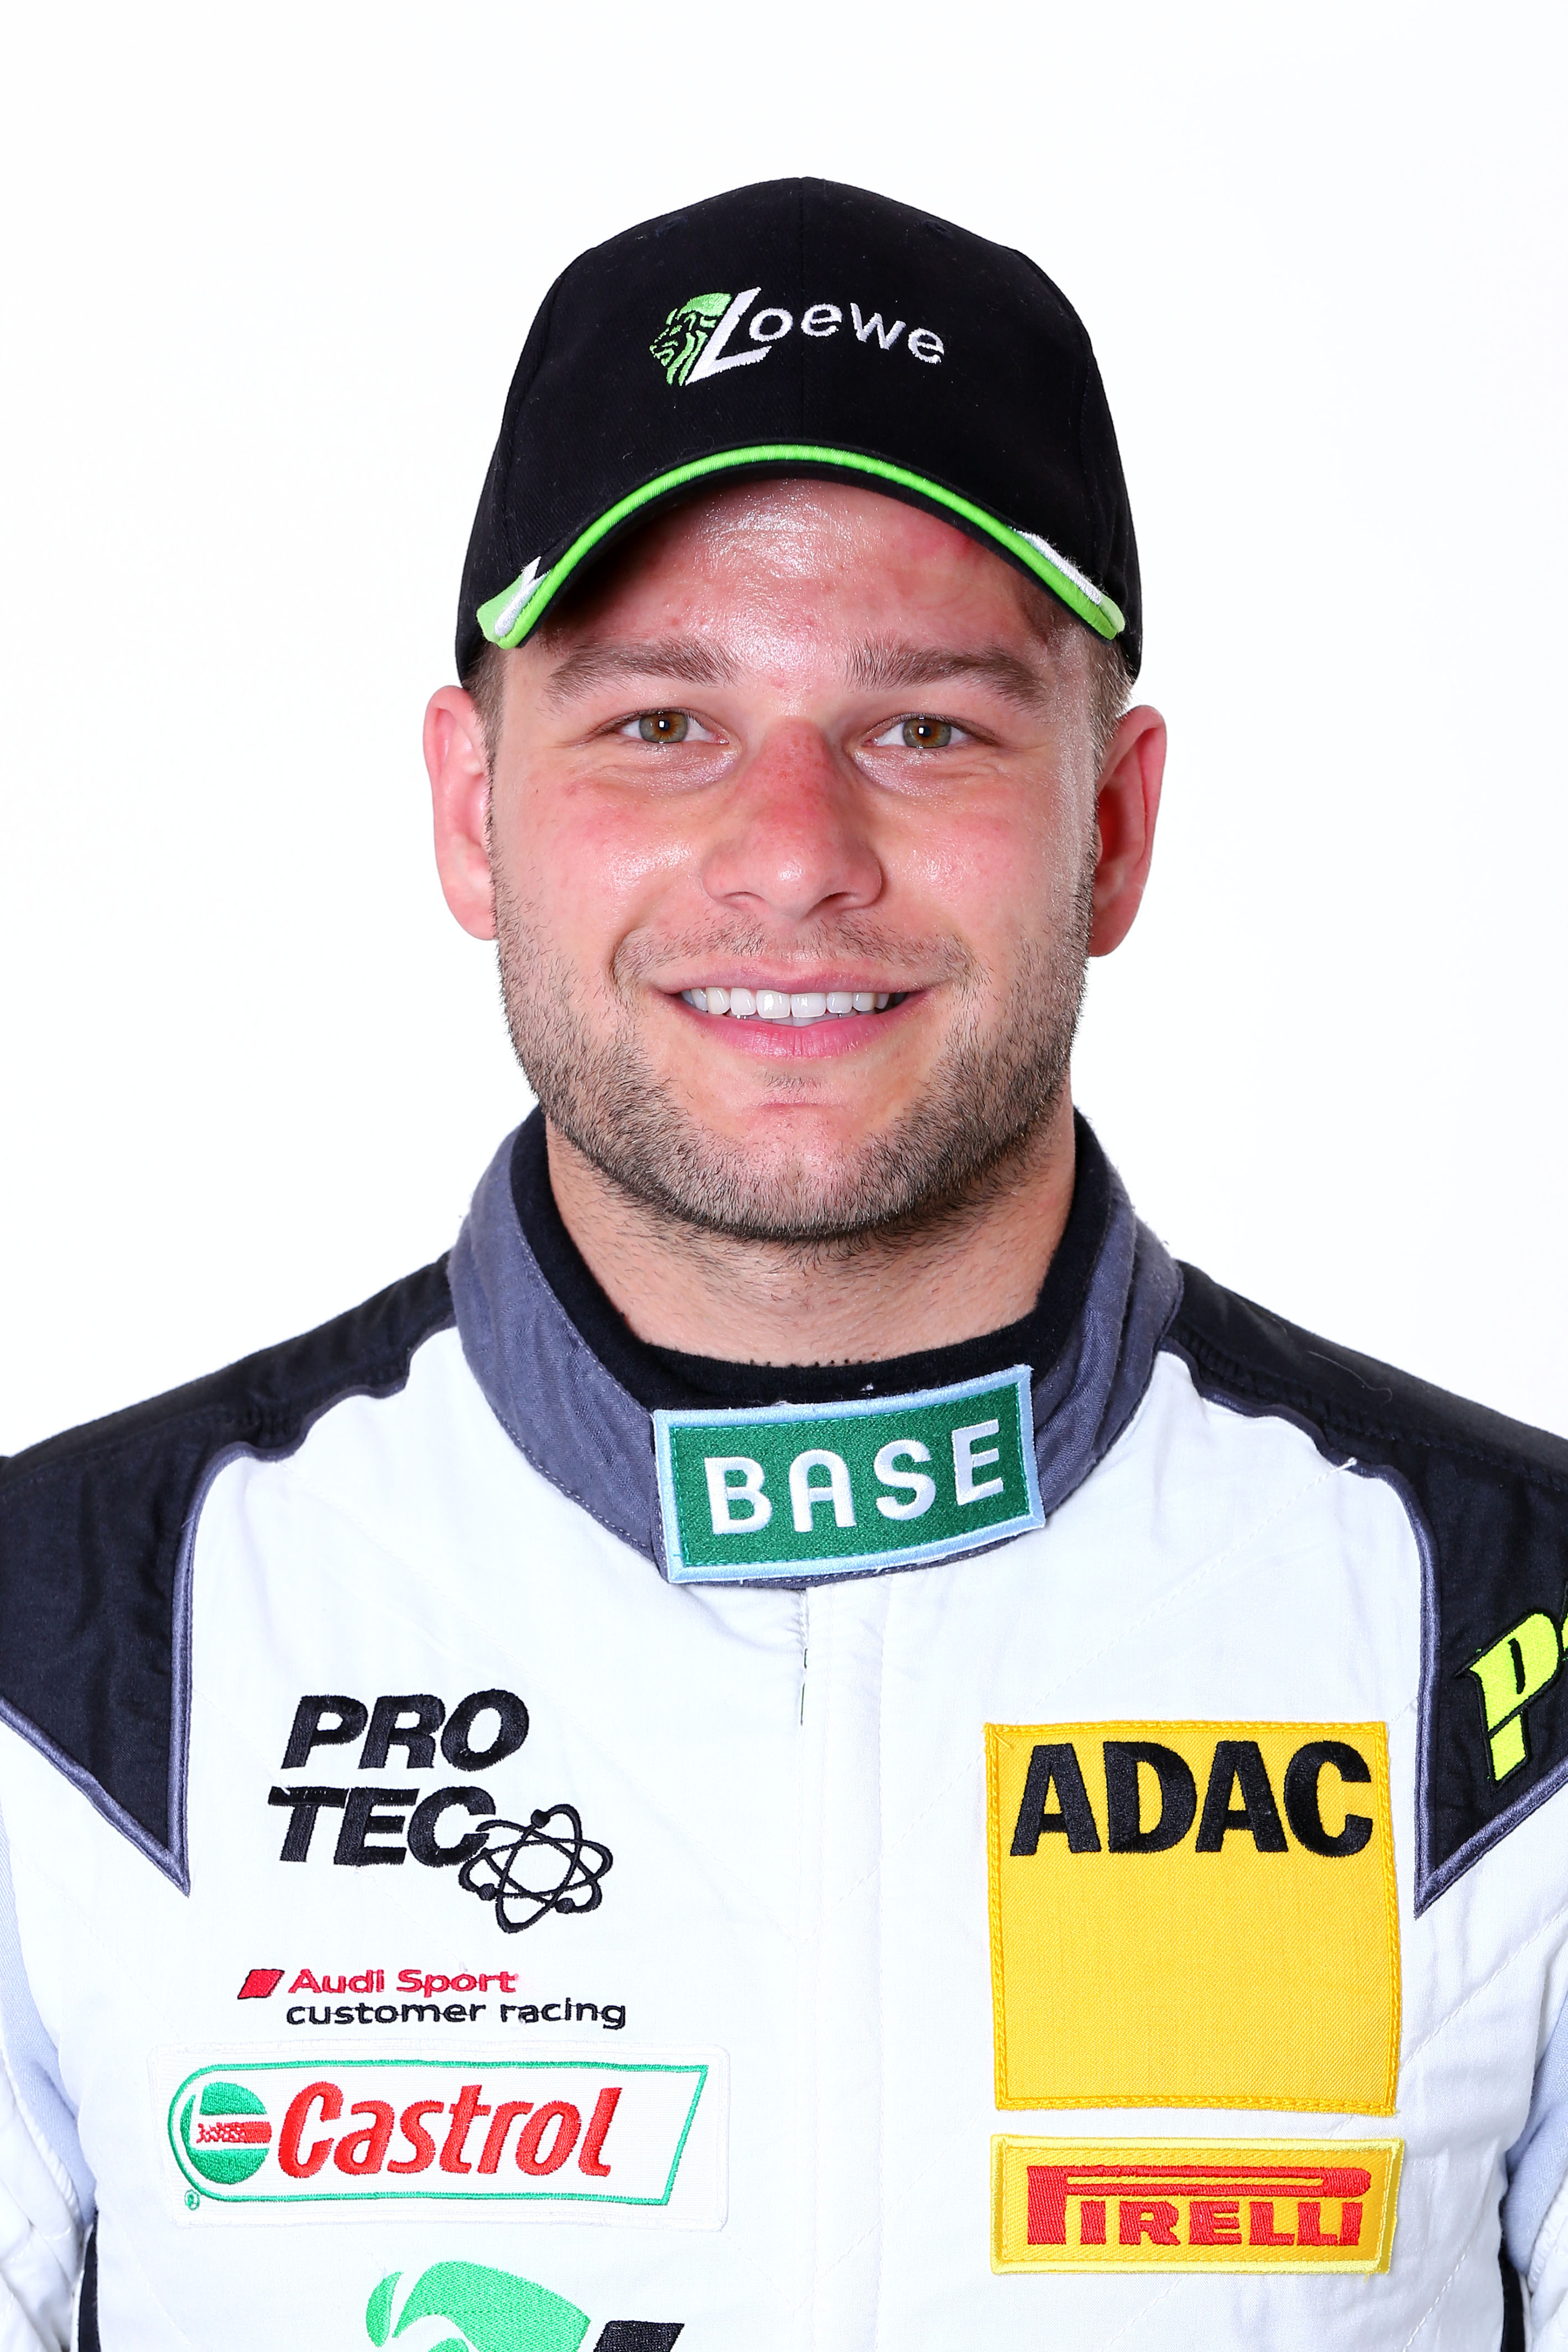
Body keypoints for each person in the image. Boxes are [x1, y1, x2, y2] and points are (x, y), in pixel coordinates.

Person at [0, 176, 1563, 2352]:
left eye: (924, 726)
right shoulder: (56, 1667)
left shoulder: (1512, 1652)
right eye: (662, 722)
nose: (796, 855)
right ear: (470, 808)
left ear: (1113, 824)